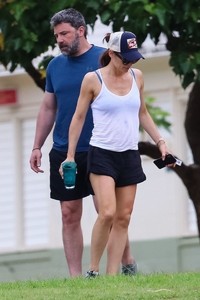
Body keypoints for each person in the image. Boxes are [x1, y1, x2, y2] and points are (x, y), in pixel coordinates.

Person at [29, 8, 137, 277]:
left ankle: (127, 264)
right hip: (65, 150)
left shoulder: (105, 58)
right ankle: (77, 279)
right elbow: (48, 108)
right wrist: (36, 146)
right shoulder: (54, 66)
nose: (60, 40)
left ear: (81, 30)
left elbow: (129, 96)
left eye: (64, 34)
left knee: (108, 212)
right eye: (56, 36)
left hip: (102, 147)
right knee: (69, 212)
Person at [61, 31, 173, 277]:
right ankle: (92, 271)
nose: (129, 64)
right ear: (111, 53)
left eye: (133, 59)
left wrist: (161, 141)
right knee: (108, 212)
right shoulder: (93, 80)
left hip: (129, 154)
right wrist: (69, 155)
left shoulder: (137, 76)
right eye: (125, 59)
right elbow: (78, 117)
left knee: (123, 217)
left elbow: (142, 113)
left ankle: (112, 277)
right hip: (102, 153)